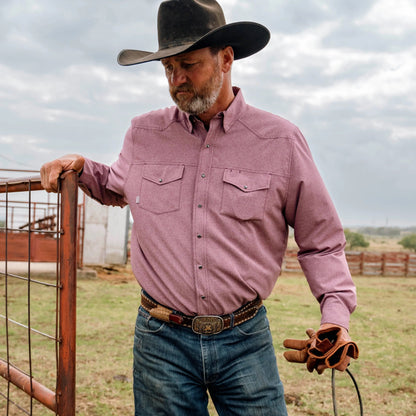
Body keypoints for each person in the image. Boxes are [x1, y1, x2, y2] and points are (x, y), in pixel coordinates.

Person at [40, 1, 358, 415]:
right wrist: (80, 168)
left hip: (244, 338)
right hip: (161, 340)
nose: (177, 80)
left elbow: (323, 242)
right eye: (168, 68)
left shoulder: (280, 141)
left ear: (226, 58)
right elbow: (117, 185)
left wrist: (335, 316)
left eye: (188, 64)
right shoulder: (143, 132)